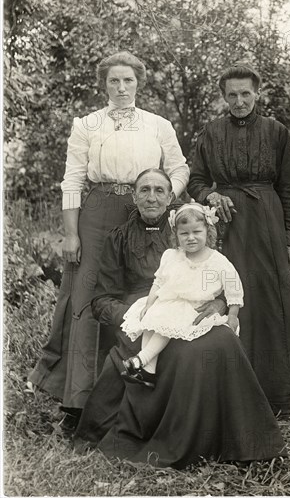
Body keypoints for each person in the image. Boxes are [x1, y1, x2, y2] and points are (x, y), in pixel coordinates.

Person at [74, 168, 287, 468]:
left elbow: (218, 276)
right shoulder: (118, 238)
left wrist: (219, 304)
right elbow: (101, 300)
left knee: (224, 340)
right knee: (180, 355)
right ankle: (175, 437)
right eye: (144, 190)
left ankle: (238, 438)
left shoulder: (190, 226)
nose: (151, 197)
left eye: (159, 190)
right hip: (142, 318)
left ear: (170, 196)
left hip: (192, 312)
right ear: (133, 197)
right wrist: (137, 317)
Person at [27, 52, 189, 421]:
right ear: (104, 84)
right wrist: (71, 234)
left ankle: (133, 392)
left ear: (139, 83)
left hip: (141, 211)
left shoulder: (158, 124)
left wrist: (161, 196)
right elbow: (72, 181)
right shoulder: (87, 124)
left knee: (138, 294)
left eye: (128, 80)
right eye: (114, 81)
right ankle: (78, 401)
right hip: (97, 212)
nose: (121, 88)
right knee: (86, 297)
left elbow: (179, 169)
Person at [188, 60, 290, 414]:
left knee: (270, 298)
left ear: (257, 93)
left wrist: (289, 239)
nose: (239, 101)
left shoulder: (276, 131)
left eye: (246, 94)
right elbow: (195, 180)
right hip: (229, 224)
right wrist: (211, 195)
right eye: (232, 95)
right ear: (224, 96)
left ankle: (283, 386)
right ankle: (234, 381)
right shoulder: (211, 131)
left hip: (267, 221)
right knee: (231, 294)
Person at [120, 202, 244, 387]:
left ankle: (140, 359)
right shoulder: (171, 255)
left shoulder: (218, 260)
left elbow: (234, 288)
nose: (191, 238)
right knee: (150, 319)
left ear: (208, 232)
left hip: (195, 307)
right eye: (184, 233)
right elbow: (158, 282)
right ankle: (148, 372)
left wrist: (233, 315)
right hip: (169, 302)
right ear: (176, 235)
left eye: (197, 232)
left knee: (167, 319)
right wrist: (149, 304)